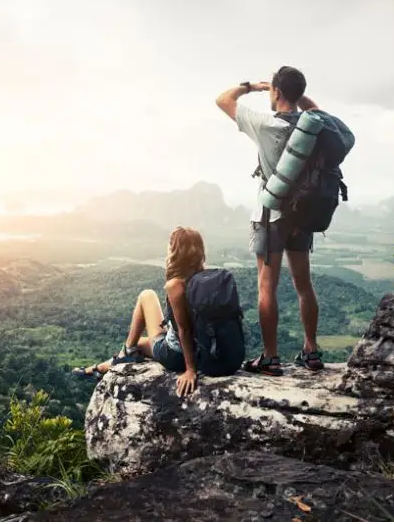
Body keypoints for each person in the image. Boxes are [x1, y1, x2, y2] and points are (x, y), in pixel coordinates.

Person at [214, 66, 324, 374]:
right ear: (299, 93)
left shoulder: (265, 123)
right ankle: (311, 351)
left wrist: (254, 86)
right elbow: (317, 110)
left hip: (271, 214)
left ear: (276, 92)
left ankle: (271, 356)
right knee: (304, 284)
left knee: (267, 286)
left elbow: (223, 99)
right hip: (303, 214)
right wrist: (296, 94)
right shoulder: (311, 124)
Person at [73, 227, 205, 397]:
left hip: (176, 356)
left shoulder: (176, 284)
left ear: (175, 251)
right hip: (202, 350)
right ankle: (99, 368)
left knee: (147, 295)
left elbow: (184, 330)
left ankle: (125, 353)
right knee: (141, 344)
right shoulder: (205, 279)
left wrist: (190, 370)